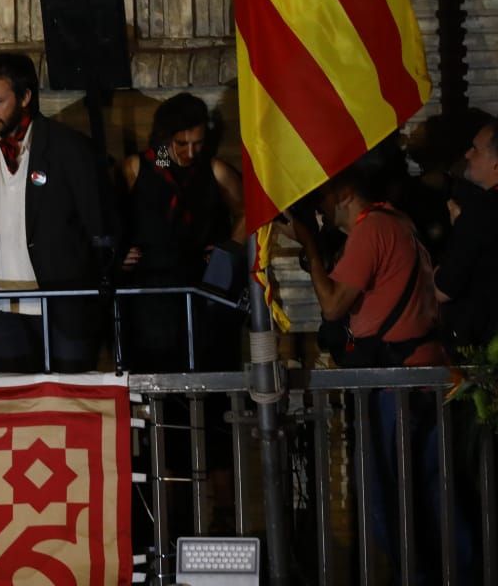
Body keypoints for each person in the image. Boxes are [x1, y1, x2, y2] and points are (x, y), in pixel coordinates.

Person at [288, 150, 463, 582]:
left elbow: (332, 306)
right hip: (421, 378)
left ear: (345, 193)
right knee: (435, 496)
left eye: (322, 199)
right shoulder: (396, 221)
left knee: (385, 503)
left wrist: (309, 243)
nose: (319, 209)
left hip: (395, 388)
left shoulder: (371, 231)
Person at [0, 52, 110, 373]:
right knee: (18, 408)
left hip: (63, 305)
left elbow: (97, 222)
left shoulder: (68, 148)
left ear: (25, 97)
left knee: (70, 402)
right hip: (4, 306)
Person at [118, 93, 245, 370]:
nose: (190, 152)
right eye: (181, 144)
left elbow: (247, 213)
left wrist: (228, 252)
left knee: (204, 364)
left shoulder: (214, 170)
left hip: (201, 287)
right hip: (150, 291)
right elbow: (112, 216)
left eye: (197, 143)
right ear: (166, 138)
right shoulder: (141, 167)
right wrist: (120, 251)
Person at [436, 120, 498, 349]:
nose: (468, 154)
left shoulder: (479, 213)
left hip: (482, 350)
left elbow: (444, 288)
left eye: (476, 149)